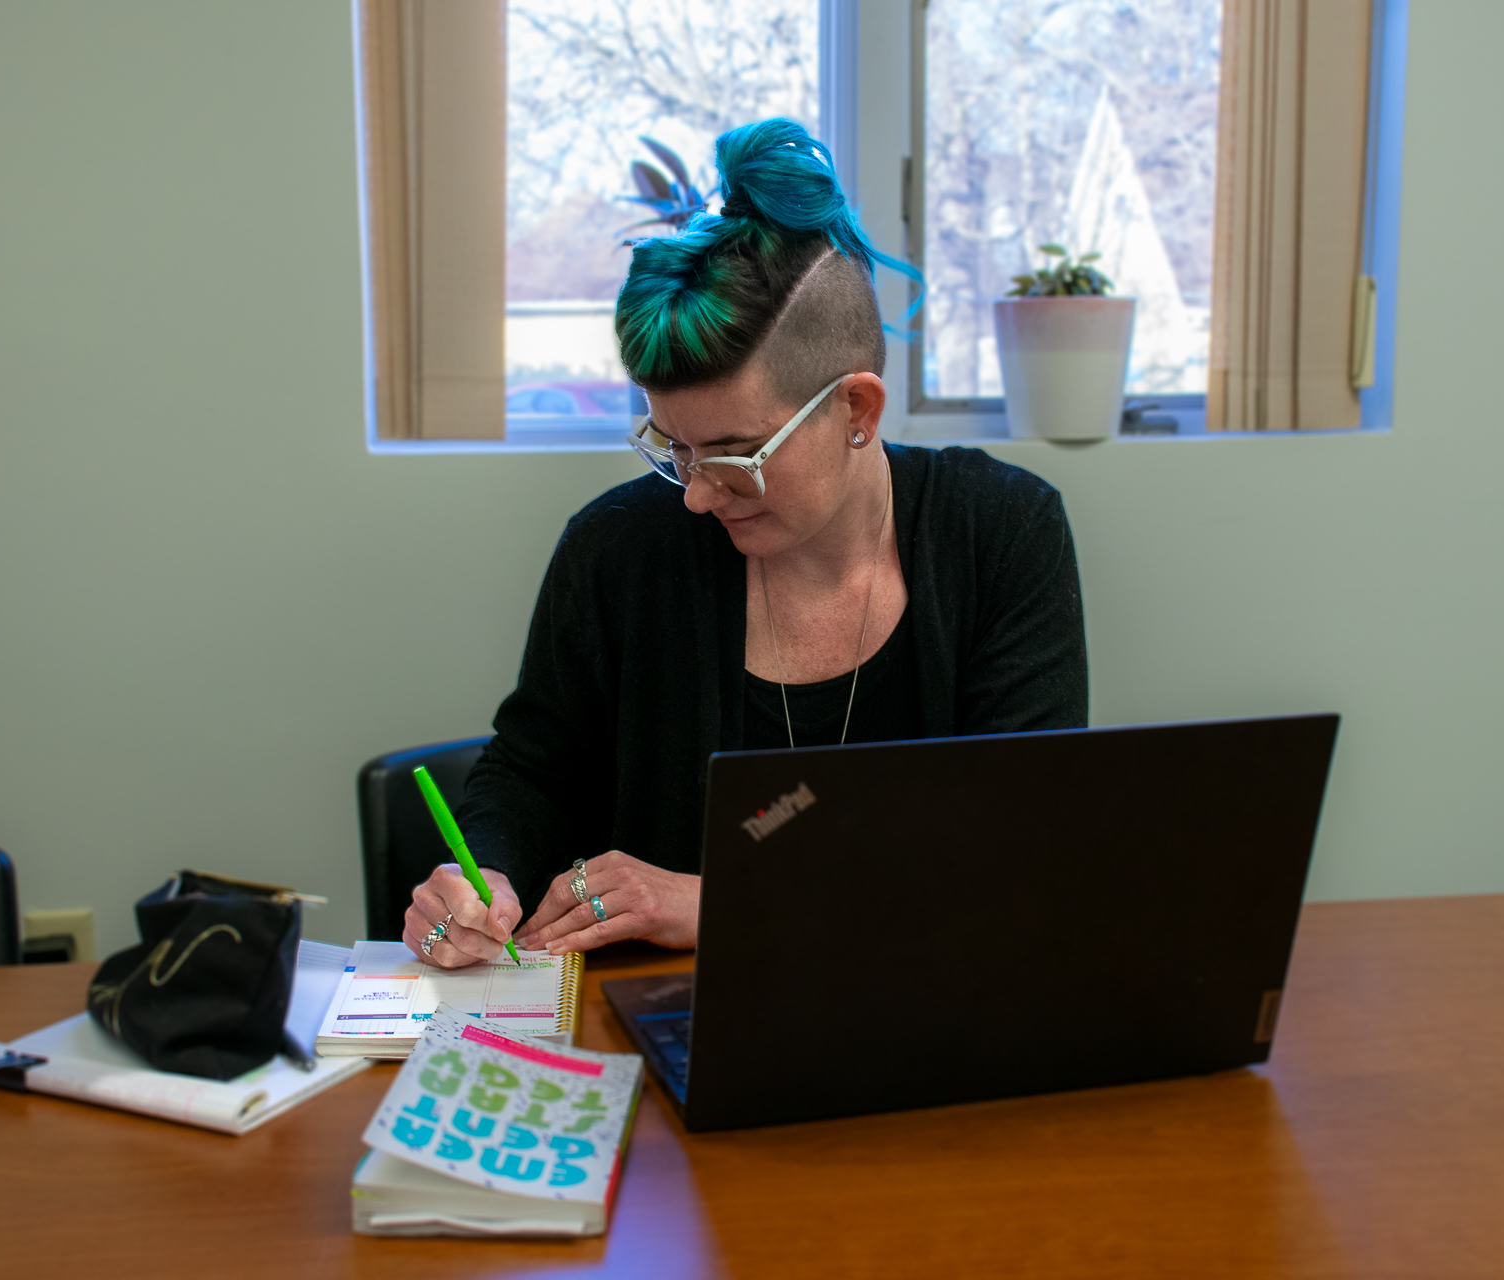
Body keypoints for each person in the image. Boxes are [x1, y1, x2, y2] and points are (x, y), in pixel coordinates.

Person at [404, 118, 1087, 968]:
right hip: (666, 1016)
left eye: (734, 456)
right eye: (672, 448)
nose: (695, 495)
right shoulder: (617, 550)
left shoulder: (1000, 532)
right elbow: (533, 772)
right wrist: (486, 874)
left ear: (857, 412)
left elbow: (1013, 841)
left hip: (935, 991)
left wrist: (727, 899)